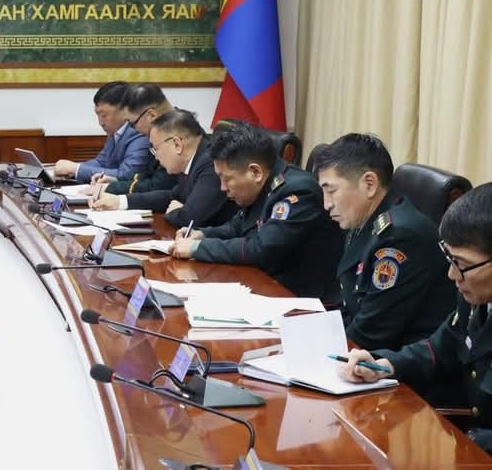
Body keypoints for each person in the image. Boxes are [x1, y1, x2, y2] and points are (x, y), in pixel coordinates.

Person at [340, 184, 492, 454]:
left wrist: (465, 444)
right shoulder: (476, 296)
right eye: (450, 259)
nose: (452, 275)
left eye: (462, 264)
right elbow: (440, 347)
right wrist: (384, 365)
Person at [171, 122, 343, 302]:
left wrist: (198, 248)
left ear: (255, 172)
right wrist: (202, 234)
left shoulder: (298, 192)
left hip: (300, 299)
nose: (222, 188)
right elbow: (237, 226)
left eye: (227, 179)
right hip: (266, 285)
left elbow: (263, 249)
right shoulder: (263, 184)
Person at [315, 134, 455, 350]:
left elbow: (370, 334)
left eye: (331, 191)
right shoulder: (363, 219)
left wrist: (318, 349)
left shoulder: (399, 237)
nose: (326, 204)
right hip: (366, 348)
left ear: (369, 184)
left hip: (401, 363)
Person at [88, 109, 236, 229]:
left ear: (177, 145)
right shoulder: (193, 161)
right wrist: (119, 201)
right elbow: (171, 196)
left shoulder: (211, 163)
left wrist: (176, 211)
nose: (156, 158)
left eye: (156, 149)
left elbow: (190, 218)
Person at [91, 83, 179, 195]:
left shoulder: (176, 134)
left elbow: (159, 185)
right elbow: (148, 175)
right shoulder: (165, 128)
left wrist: (111, 188)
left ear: (151, 115)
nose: (133, 129)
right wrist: (116, 180)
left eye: (132, 123)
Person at [53, 81, 150, 183]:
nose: (100, 123)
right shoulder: (116, 131)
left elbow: (127, 174)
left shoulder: (139, 132)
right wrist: (71, 170)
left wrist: (76, 168)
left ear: (125, 110)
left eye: (104, 115)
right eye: (97, 115)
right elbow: (101, 162)